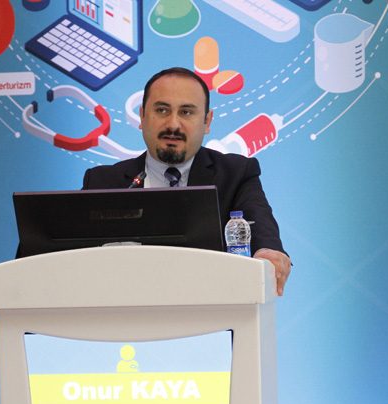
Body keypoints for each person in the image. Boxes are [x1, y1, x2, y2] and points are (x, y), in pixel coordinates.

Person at [82, 67, 291, 295]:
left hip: (211, 306)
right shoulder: (102, 182)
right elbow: (71, 257)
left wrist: (269, 252)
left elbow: (261, 227)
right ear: (142, 116)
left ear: (207, 121)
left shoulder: (235, 174)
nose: (173, 124)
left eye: (186, 112)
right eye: (162, 110)